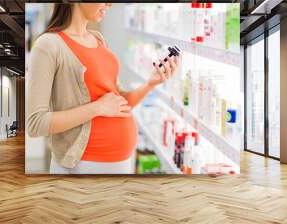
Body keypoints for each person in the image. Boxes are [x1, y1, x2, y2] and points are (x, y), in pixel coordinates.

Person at [27, 3, 180, 174]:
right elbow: (35, 123)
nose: (110, 4)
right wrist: (97, 108)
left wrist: (150, 84)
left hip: (122, 162)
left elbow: (119, 102)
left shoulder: (98, 40)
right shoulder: (48, 44)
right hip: (84, 166)